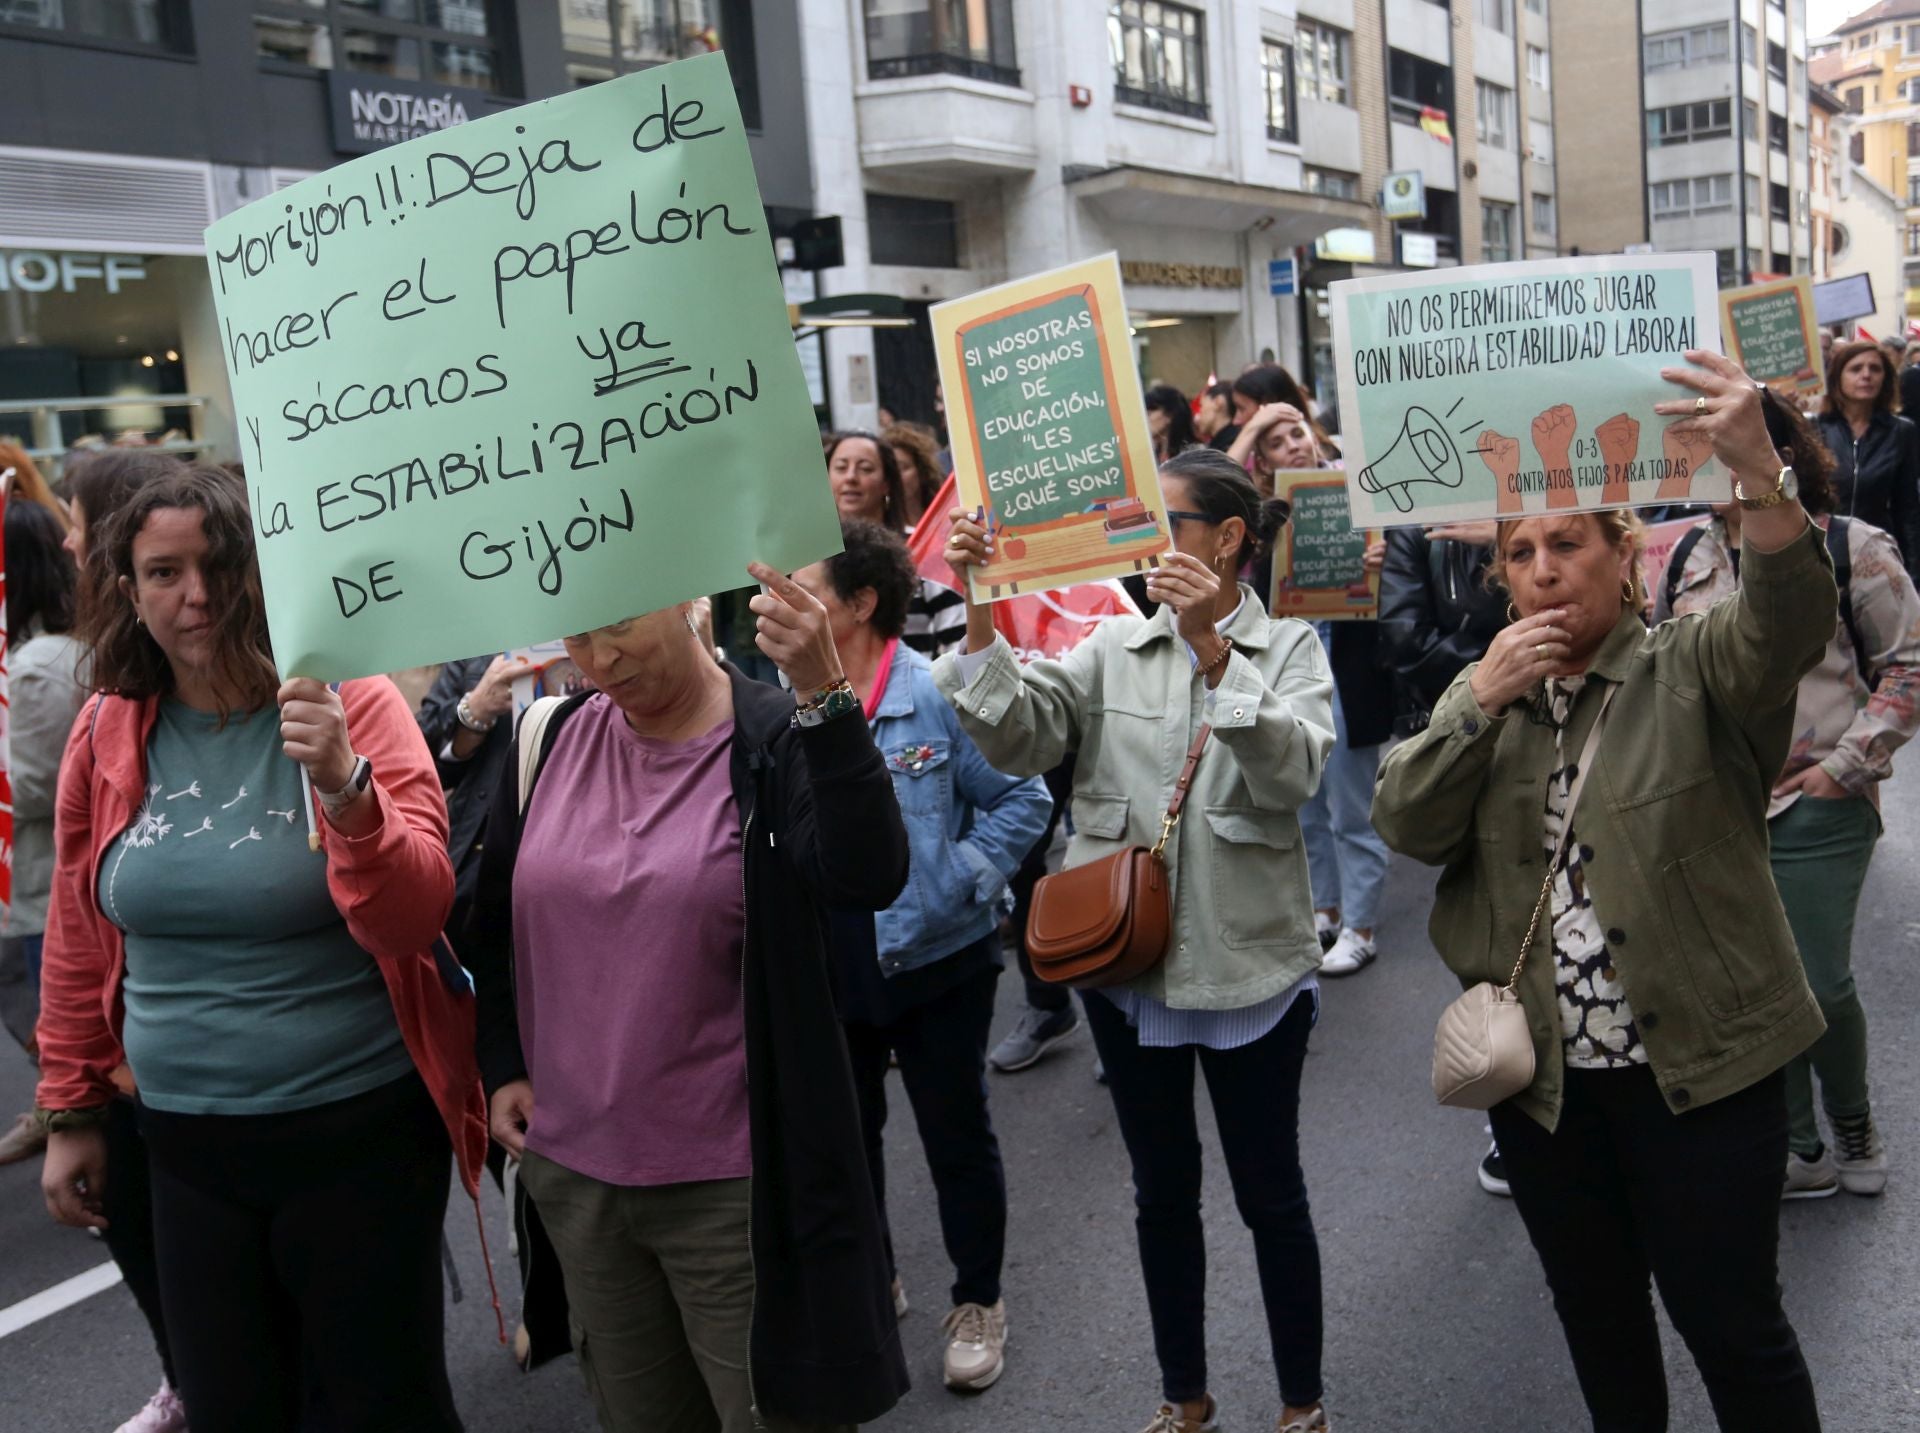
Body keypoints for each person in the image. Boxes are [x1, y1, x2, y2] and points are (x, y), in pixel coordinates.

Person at [1373, 351, 1830, 1432]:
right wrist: (1477, 701)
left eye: (1568, 542)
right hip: (1547, 1093)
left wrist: (1759, 473)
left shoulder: (1694, 665)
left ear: (1625, 555)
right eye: (1519, 552)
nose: (1541, 569)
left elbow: (1786, 623)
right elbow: (1406, 822)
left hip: (1704, 1078)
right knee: (1599, 1320)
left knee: (1733, 1327)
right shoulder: (1486, 697)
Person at [36, 464, 483, 1433]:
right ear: (129, 590)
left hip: (357, 1134)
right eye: (164, 572)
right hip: (185, 1144)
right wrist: (70, 1105)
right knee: (235, 1406)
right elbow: (77, 930)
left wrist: (347, 789)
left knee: (382, 1406)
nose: (195, 596)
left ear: (262, 572)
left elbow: (413, 918)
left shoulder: (348, 702)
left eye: (219, 566)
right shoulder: (107, 725)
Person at [937, 445, 1337, 1433]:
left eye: (1168, 523)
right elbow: (1020, 735)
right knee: (1161, 1195)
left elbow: (1293, 774)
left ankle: (1301, 1405)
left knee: (1271, 1198)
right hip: (1128, 971)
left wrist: (1214, 653)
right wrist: (980, 603)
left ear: (1228, 538)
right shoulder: (1113, 642)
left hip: (1250, 971)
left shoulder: (1289, 645)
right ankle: (1184, 1397)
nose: (1148, 541)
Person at [467, 564, 913, 1433]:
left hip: (736, 1190)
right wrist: (503, 1061)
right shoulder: (546, 739)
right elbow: (492, 922)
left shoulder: (773, 737)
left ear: (687, 597)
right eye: (578, 633)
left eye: (621, 620)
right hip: (581, 1178)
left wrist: (826, 698)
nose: (601, 657)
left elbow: (868, 874)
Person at [793, 521, 1050, 1393]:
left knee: (955, 1134)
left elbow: (1024, 799)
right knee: (848, 1136)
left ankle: (978, 1301)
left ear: (861, 602)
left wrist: (958, 879)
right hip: (835, 959)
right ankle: (879, 1280)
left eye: (804, 590)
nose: (779, 607)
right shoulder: (789, 706)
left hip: (943, 959)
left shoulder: (934, 691)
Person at [1656, 391, 1915, 1200]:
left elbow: (1909, 665)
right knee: (1753, 987)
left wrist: (1845, 767)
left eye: (1722, 443)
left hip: (1819, 805)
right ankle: (1798, 1143)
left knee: (1818, 981)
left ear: (1777, 454)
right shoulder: (1683, 553)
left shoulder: (1849, 545)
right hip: (1718, 809)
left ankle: (1853, 1119)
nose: (1705, 463)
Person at [0, 500, 88, 1166]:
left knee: (55, 1016)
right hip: (60, 872)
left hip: (48, 877)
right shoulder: (64, 644)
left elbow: (34, 788)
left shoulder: (36, 664)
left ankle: (68, 1121)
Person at [415, 652, 535, 926]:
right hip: (478, 859)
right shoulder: (476, 649)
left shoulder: (595, 650)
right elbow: (422, 762)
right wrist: (475, 710)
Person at [825, 430, 967, 654]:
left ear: (887, 483)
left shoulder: (921, 550)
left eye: (866, 469)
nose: (851, 477)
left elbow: (956, 640)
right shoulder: (811, 559)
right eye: (841, 468)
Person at [1814, 338, 1920, 577]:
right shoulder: (1816, 427)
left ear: (1885, 378)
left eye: (1875, 369)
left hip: (1879, 553)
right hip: (1821, 556)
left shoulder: (1901, 431)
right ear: (1837, 378)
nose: (1866, 375)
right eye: (1856, 369)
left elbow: (1908, 508)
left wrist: (1914, 573)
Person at [884, 420, 946, 528]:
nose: (896, 475)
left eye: (903, 467)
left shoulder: (945, 514)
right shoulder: (882, 527)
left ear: (922, 471)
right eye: (889, 469)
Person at [1143, 384, 1198, 461]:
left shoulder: (1193, 455)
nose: (1145, 419)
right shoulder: (1151, 454)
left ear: (1169, 415)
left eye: (1149, 414)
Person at [1195, 381, 1236, 448]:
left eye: (1201, 406)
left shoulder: (1228, 447)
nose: (1197, 415)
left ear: (1217, 402)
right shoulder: (1238, 441)